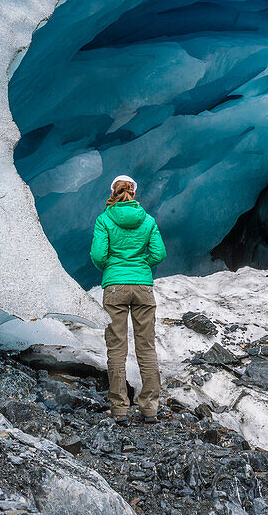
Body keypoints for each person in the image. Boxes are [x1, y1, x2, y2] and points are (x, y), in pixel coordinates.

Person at [90, 174, 166, 424]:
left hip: (115, 287)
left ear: (113, 192)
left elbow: (99, 256)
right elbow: (159, 253)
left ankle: (120, 408)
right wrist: (142, 265)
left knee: (117, 348)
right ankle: (149, 408)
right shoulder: (148, 220)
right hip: (143, 286)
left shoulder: (104, 220)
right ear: (134, 192)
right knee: (146, 347)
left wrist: (113, 267)